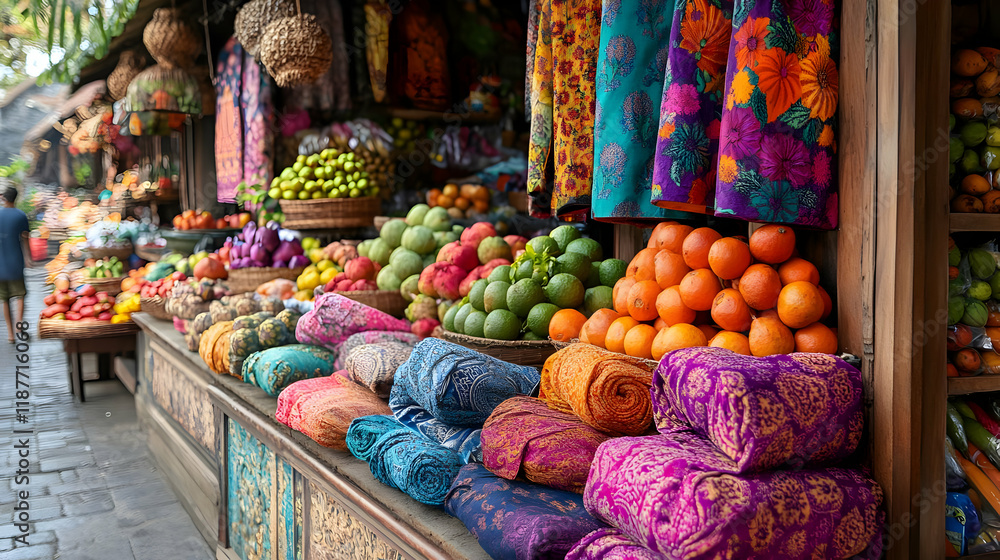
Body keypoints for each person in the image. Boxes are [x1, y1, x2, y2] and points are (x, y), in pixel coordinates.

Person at [0, 186, 30, 343]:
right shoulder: (20, 215)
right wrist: (29, 258)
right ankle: (19, 327)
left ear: (4, 198)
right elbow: (25, 238)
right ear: (16, 198)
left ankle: (10, 335)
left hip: (0, 264)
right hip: (15, 262)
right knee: (20, 296)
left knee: (4, 299)